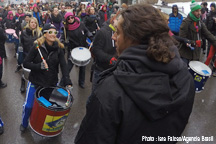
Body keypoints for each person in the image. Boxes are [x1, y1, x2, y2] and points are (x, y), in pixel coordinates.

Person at [75, 4, 195, 144]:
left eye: (118, 32)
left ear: (134, 38)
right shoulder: (186, 79)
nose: (113, 37)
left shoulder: (110, 91)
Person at [20, 23, 72, 132]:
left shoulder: (59, 48)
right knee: (29, 106)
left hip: (51, 82)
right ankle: (24, 124)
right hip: (35, 81)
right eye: (50, 32)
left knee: (49, 107)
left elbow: (63, 65)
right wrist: (39, 66)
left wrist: (67, 80)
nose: (53, 34)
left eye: (55, 32)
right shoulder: (37, 46)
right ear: (45, 34)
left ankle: (43, 127)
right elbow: (25, 63)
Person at [60, 12, 92, 89]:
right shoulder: (65, 28)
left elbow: (87, 31)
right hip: (72, 50)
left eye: (71, 17)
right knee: (68, 68)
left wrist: (90, 35)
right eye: (68, 18)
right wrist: (64, 42)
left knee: (83, 67)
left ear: (74, 17)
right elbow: (62, 38)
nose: (70, 19)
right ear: (66, 20)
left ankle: (81, 82)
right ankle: (62, 82)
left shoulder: (81, 24)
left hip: (83, 48)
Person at [179, 0, 216, 65]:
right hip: (186, 55)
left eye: (200, 11)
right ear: (192, 11)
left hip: (196, 55)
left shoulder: (200, 23)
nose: (199, 13)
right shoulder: (186, 23)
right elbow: (181, 39)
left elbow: (208, 35)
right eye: (197, 11)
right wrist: (194, 43)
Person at [19, 17, 42, 93]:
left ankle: (36, 85)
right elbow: (21, 43)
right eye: (32, 22)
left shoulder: (39, 33)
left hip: (36, 56)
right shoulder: (24, 32)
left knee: (36, 70)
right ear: (29, 23)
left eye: (35, 23)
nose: (33, 24)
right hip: (26, 54)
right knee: (25, 71)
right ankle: (23, 84)